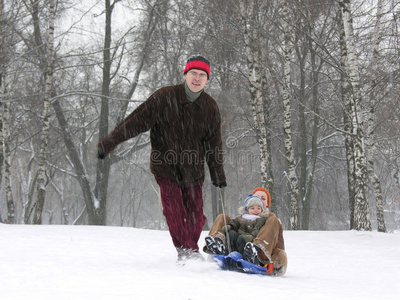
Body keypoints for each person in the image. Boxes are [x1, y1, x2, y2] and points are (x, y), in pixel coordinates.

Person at [97, 55, 227, 262]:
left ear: (207, 80)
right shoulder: (164, 97)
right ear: (185, 75)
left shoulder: (210, 107)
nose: (197, 78)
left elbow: (214, 144)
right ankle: (186, 251)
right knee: (174, 211)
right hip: (166, 166)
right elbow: (135, 122)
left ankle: (190, 249)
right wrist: (108, 143)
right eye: (193, 73)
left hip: (194, 169)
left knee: (196, 214)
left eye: (202, 75)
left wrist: (218, 175)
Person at [204, 187, 287, 276]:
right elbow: (234, 226)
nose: (259, 200)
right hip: (238, 247)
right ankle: (217, 244)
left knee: (273, 219)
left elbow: (279, 245)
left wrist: (278, 259)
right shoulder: (243, 217)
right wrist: (230, 227)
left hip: (261, 256)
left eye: (263, 198)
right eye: (256, 197)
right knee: (222, 217)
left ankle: (255, 249)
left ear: (267, 203)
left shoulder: (270, 220)